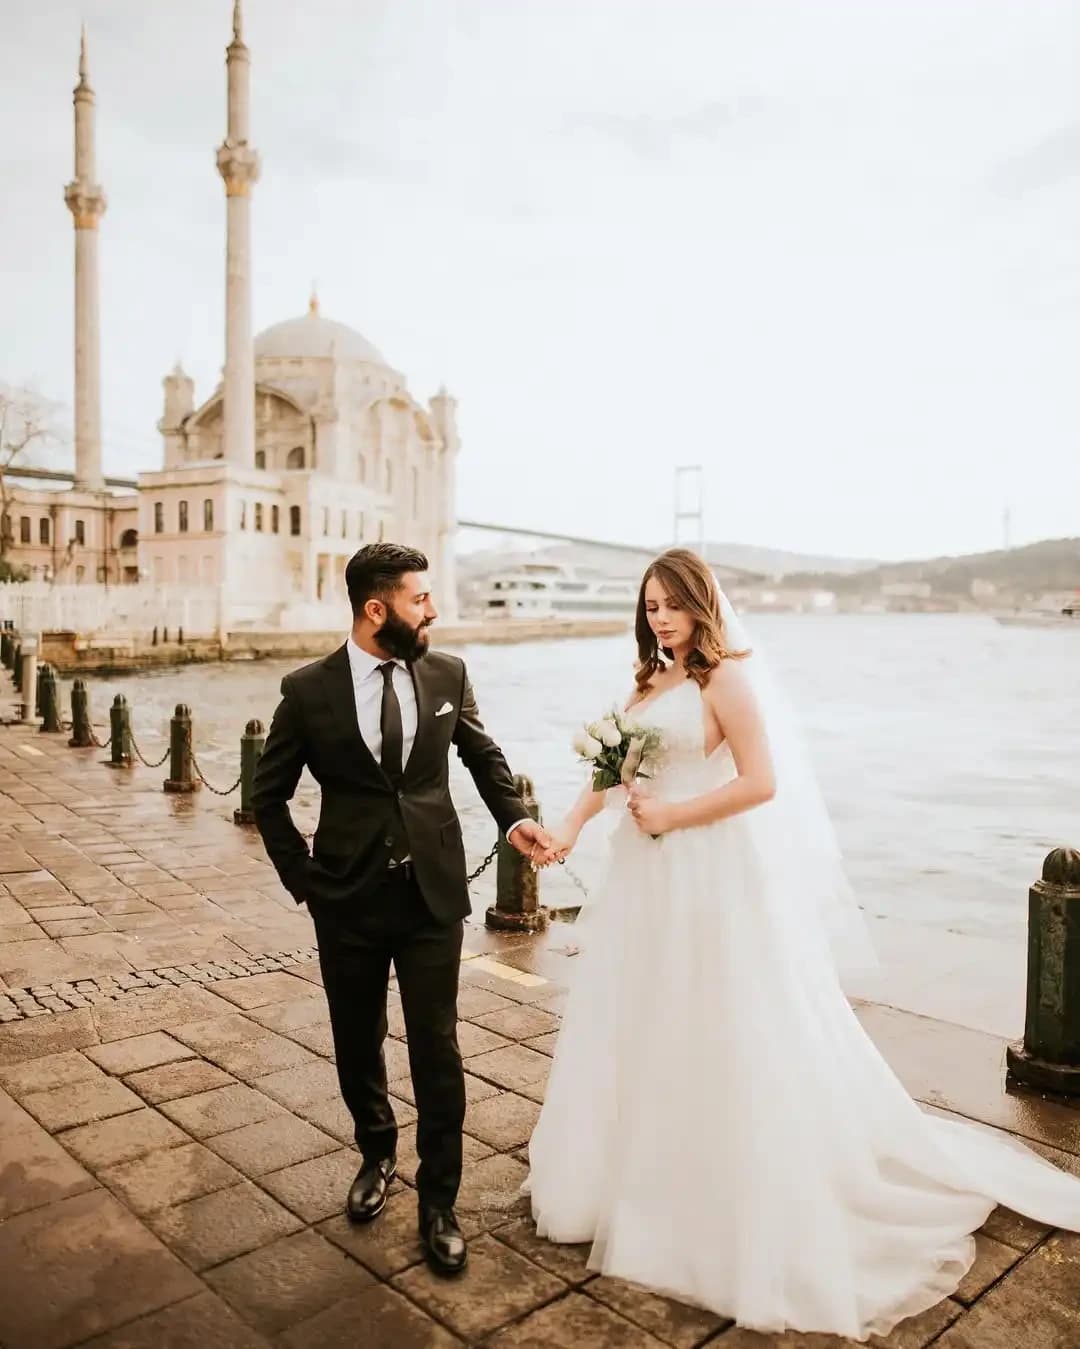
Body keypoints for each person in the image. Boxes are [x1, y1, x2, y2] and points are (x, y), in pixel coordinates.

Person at [528, 546, 1080, 1340]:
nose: (660, 618)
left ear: (700, 605)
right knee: (638, 1015)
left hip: (706, 868)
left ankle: (717, 1185)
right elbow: (613, 772)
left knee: (713, 1018)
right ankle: (626, 1176)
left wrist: (674, 816)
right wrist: (570, 829)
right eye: (650, 606)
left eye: (672, 604)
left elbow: (761, 782)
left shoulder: (727, 679)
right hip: (644, 877)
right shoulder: (650, 682)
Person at [253, 542, 556, 1275]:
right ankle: (377, 1152)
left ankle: (439, 1200)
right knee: (357, 1038)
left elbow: (481, 756)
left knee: (437, 1046)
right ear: (376, 608)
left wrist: (513, 817)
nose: (434, 609)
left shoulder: (447, 672)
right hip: (347, 900)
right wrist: (307, 881)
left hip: (431, 895)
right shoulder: (307, 690)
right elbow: (266, 795)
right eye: (422, 598)